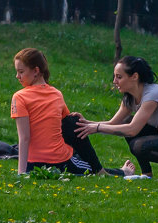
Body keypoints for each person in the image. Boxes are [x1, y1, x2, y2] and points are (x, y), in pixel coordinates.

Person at [74, 56, 158, 179]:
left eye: (119, 77)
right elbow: (113, 123)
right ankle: (147, 173)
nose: (114, 81)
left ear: (134, 76)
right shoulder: (130, 97)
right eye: (115, 77)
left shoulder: (153, 94)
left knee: (139, 145)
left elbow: (132, 130)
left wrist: (96, 128)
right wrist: (86, 123)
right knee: (126, 121)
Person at [11, 48, 116, 176]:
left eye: (21, 72)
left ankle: (110, 171)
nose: (17, 76)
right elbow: (68, 123)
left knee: (74, 128)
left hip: (33, 164)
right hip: (60, 162)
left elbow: (24, 137)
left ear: (36, 71)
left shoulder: (19, 97)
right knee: (92, 168)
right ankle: (117, 171)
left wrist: (21, 172)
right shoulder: (56, 94)